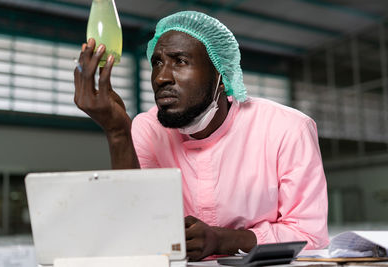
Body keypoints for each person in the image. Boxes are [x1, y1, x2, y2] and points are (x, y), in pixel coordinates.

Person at [74, 11, 329, 261]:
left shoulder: (287, 128)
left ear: (220, 75)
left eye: (180, 61)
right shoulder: (147, 129)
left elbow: (309, 236)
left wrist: (222, 240)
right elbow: (134, 233)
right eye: (157, 62)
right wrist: (118, 132)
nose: (161, 77)